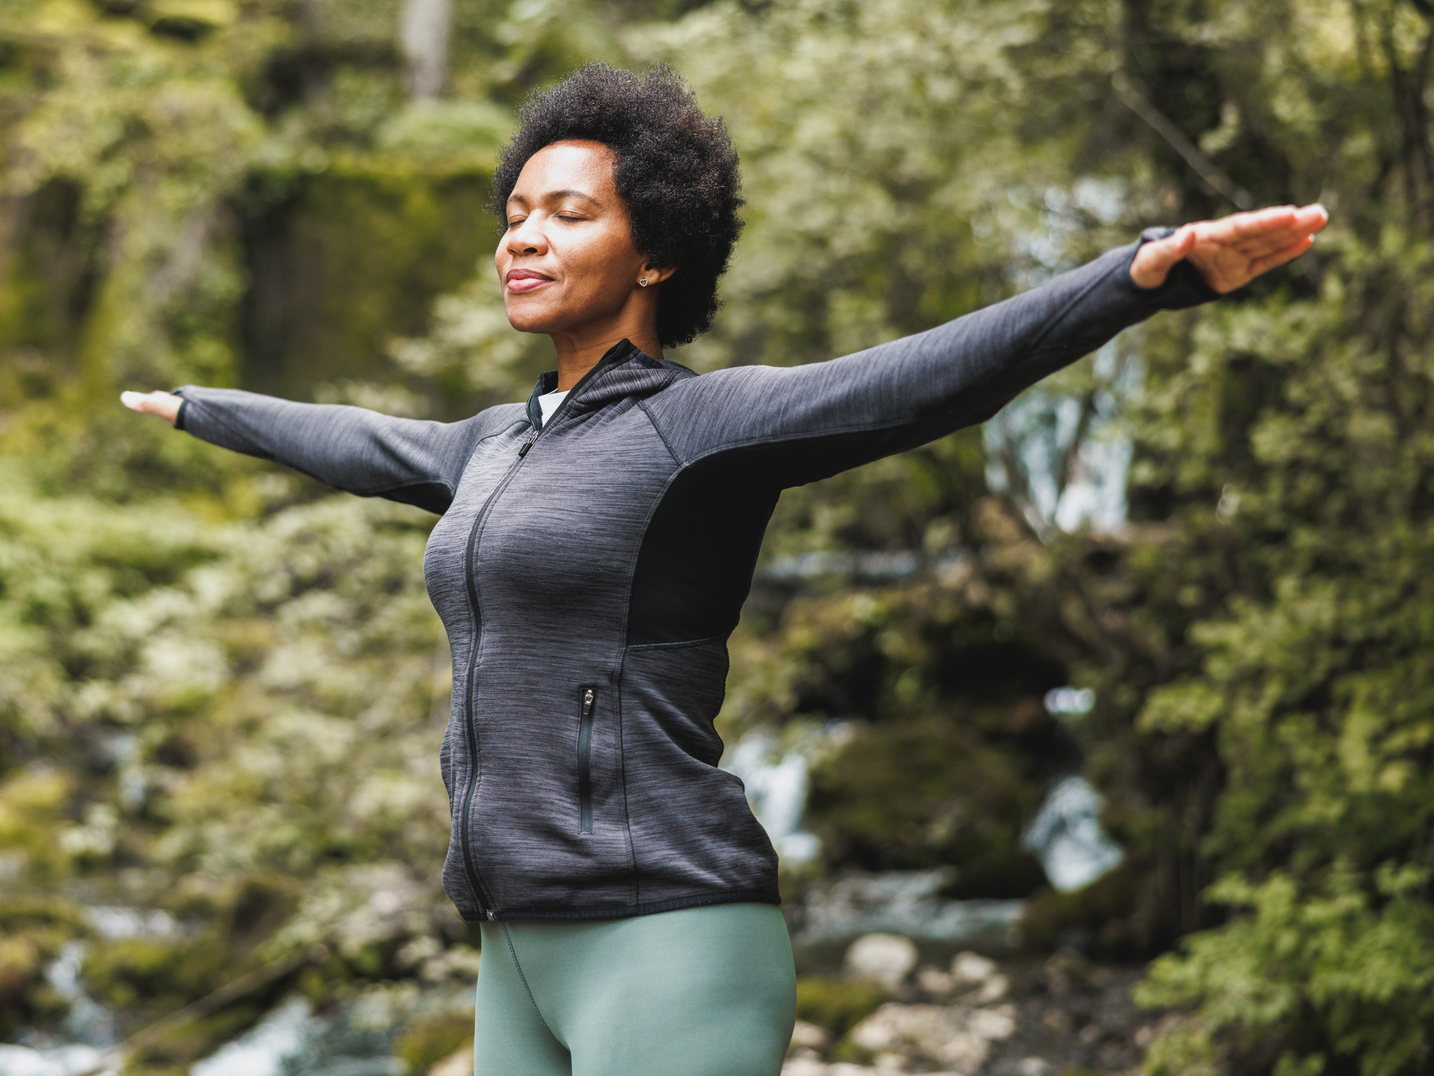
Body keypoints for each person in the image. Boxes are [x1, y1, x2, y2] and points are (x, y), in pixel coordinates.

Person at [120, 64, 1326, 1076]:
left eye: (567, 213)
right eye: (514, 212)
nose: (522, 236)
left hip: (665, 930)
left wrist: (1136, 278)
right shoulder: (492, 445)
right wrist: (205, 409)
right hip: (511, 940)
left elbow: (931, 372)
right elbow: (353, 438)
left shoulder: (703, 428)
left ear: (654, 255)